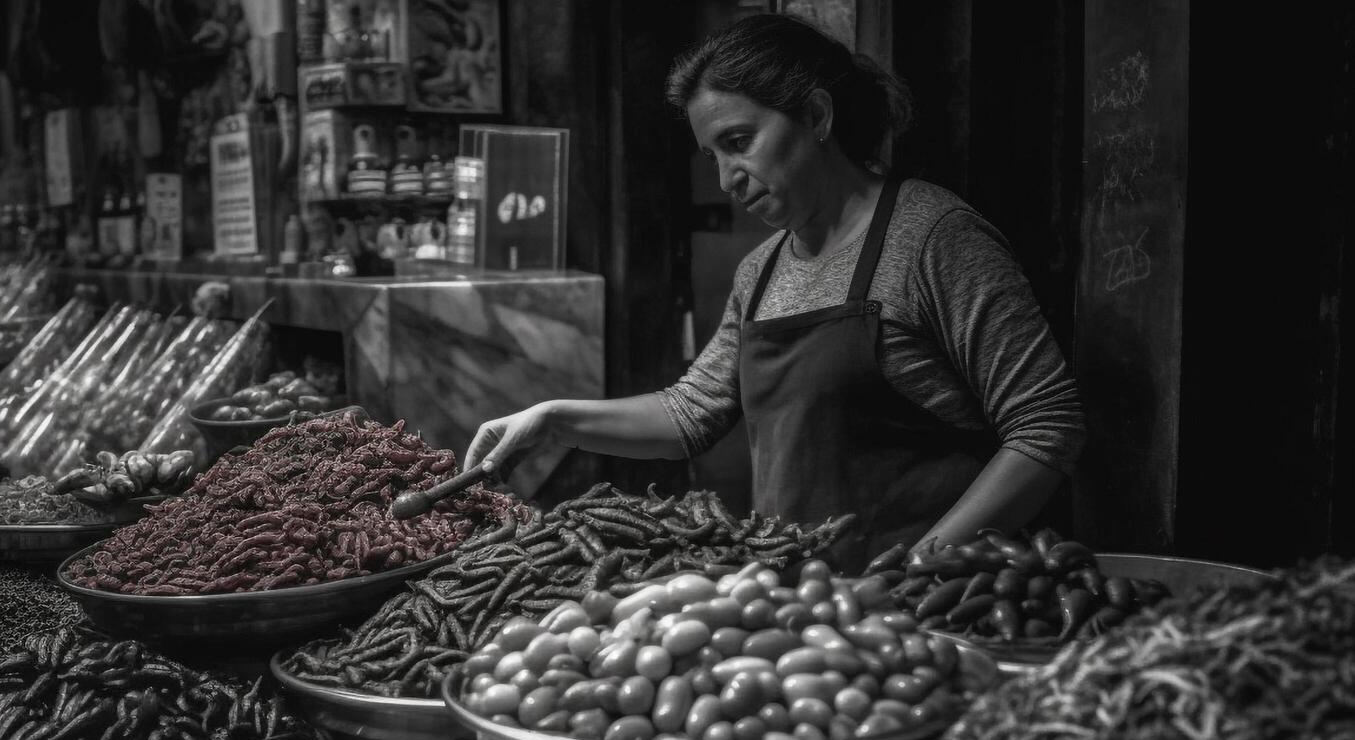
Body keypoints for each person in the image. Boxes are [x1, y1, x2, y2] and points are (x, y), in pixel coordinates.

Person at [464, 14, 1085, 570]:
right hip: (806, 611)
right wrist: (553, 419)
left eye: (739, 142)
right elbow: (691, 413)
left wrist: (921, 568)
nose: (727, 178)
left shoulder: (933, 238)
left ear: (816, 116)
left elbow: (1046, 425)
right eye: (711, 154)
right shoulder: (760, 270)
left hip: (934, 606)